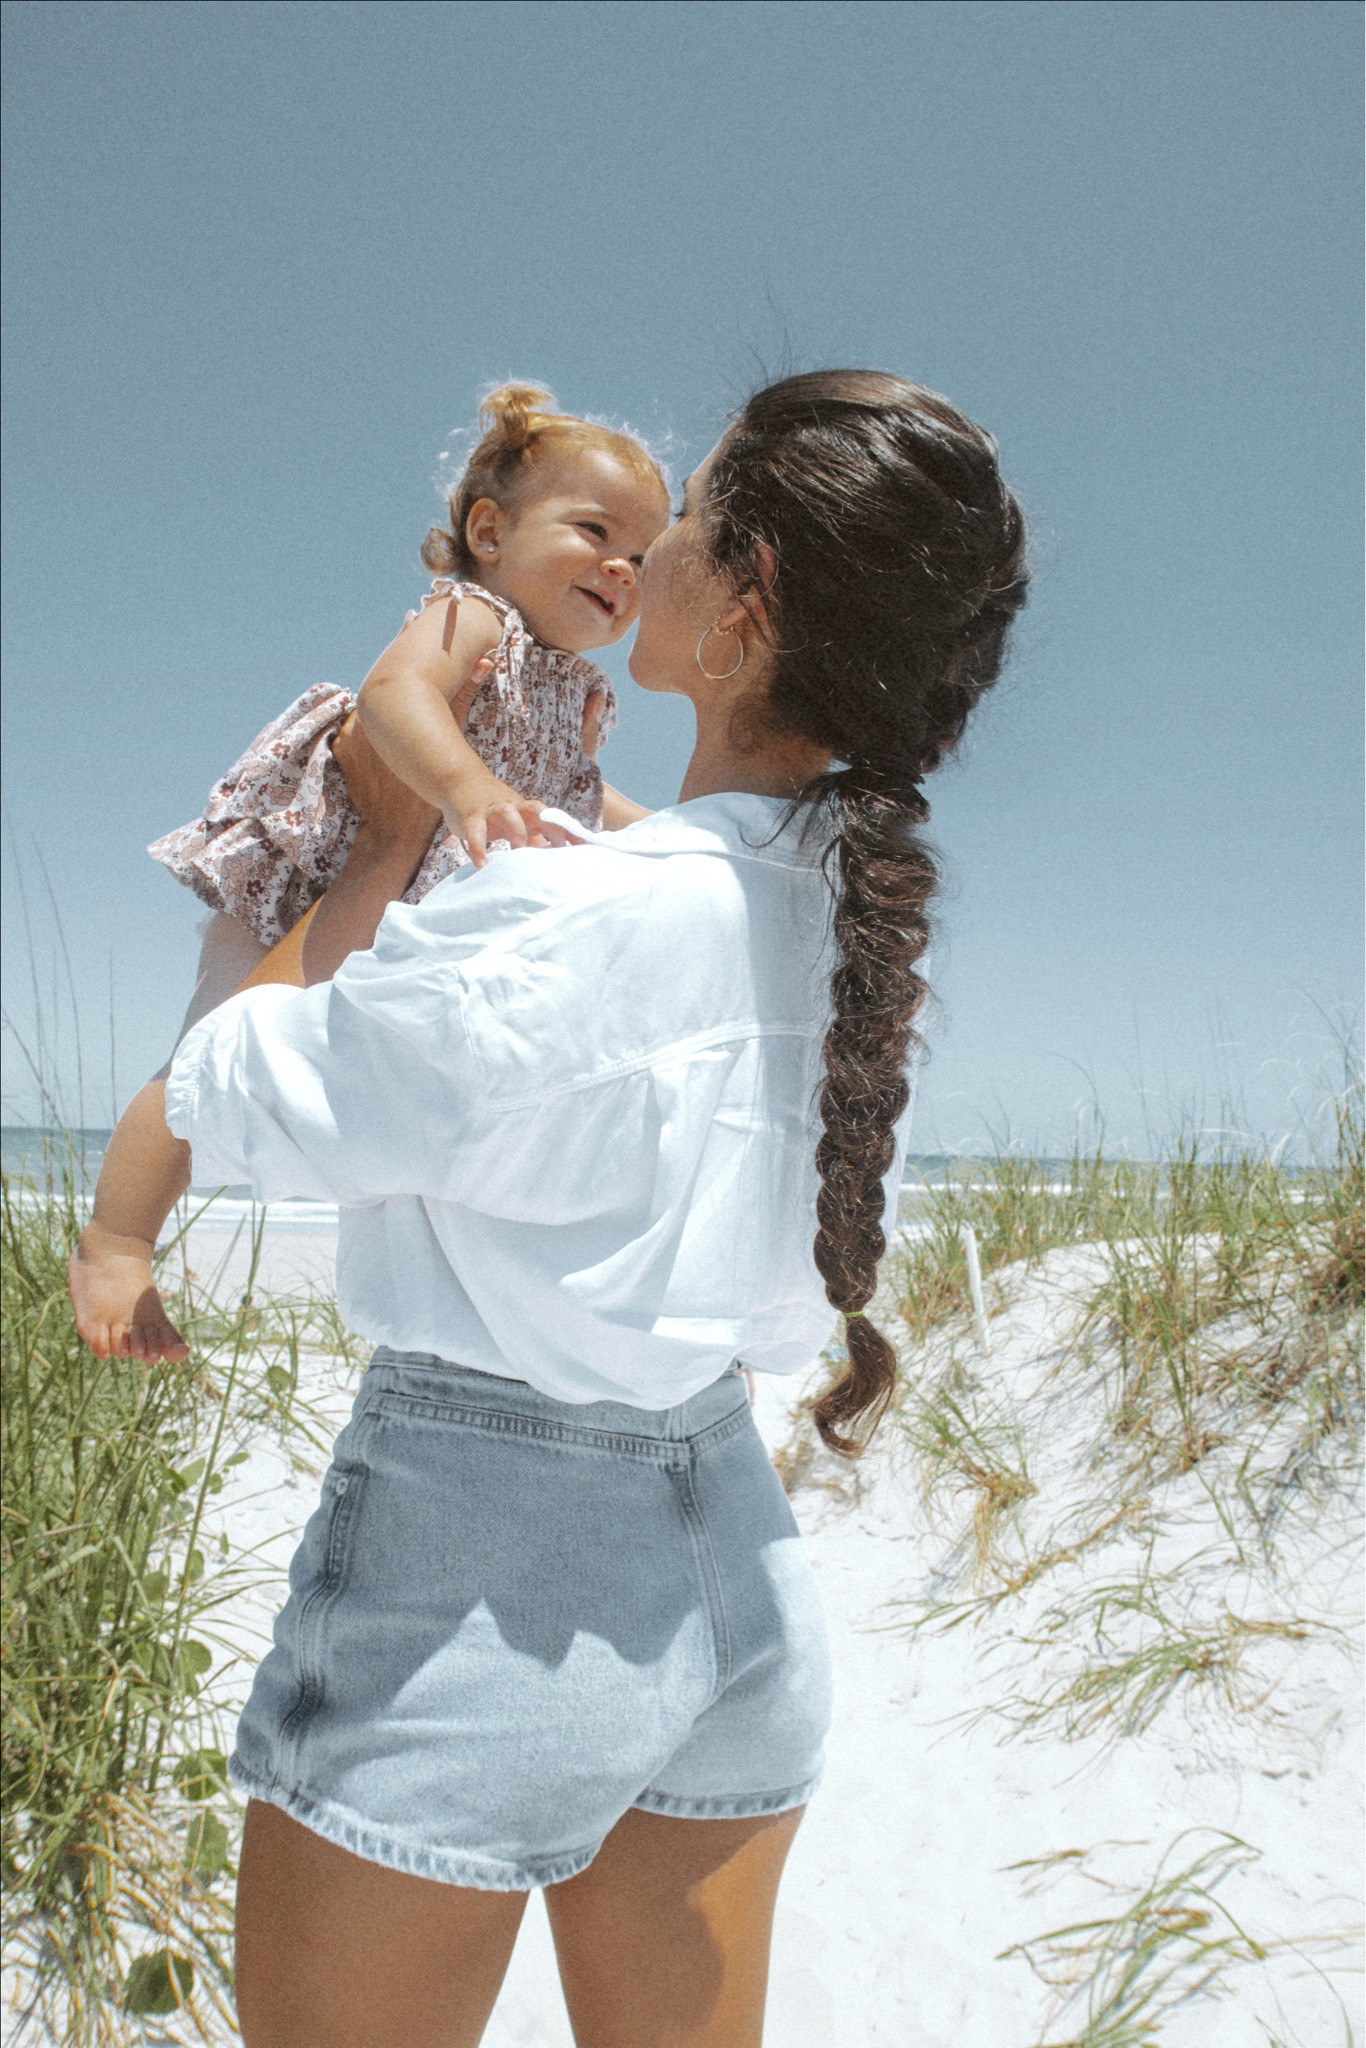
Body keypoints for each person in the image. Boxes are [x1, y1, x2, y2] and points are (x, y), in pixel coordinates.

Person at [146, 371, 1028, 2046]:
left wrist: (378, 835)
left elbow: (225, 1090)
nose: (650, 551)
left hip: (485, 1572)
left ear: (747, 603)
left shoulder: (577, 915)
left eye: (685, 520)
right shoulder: (852, 925)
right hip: (739, 1582)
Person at [67, 383, 670, 1361]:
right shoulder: (472, 619)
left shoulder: (576, 692)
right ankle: (117, 1241)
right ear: (488, 529)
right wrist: (468, 786)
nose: (620, 566)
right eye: (595, 529)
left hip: (393, 920)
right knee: (206, 1067)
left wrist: (676, 836)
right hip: (303, 892)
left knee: (324, 1088)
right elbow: (394, 697)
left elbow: (582, 803)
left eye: (642, 556)